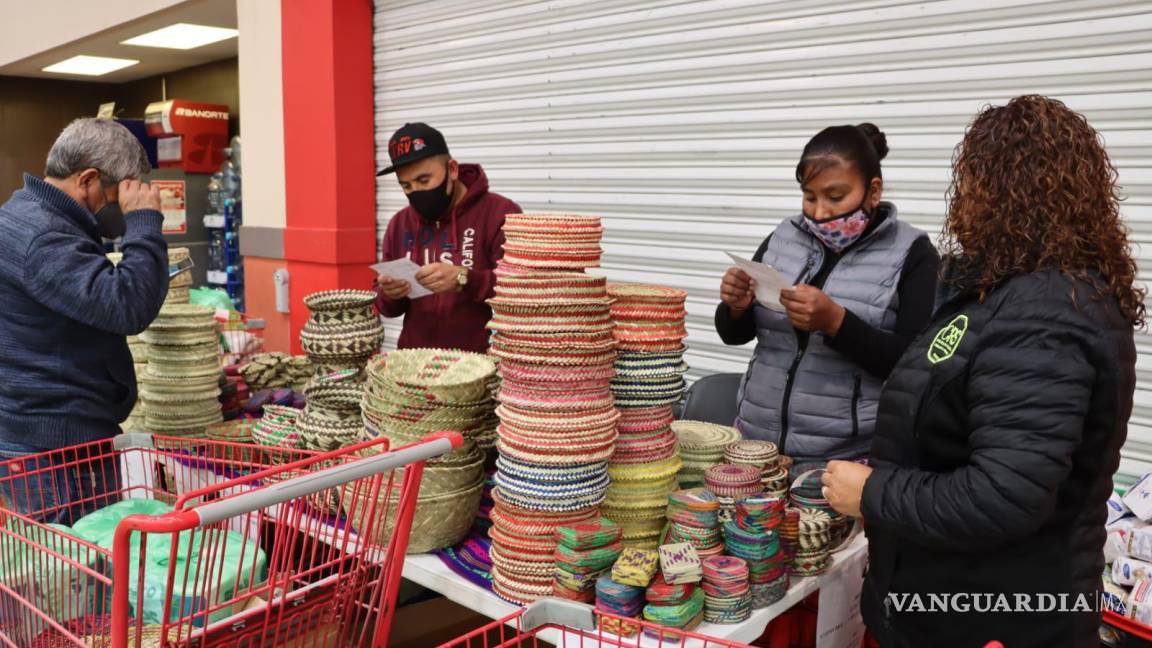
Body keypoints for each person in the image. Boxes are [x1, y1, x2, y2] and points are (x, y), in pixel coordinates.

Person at [822, 95, 1143, 647]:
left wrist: (875, 492)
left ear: (996, 191)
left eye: (971, 180)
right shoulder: (1005, 294)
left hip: (995, 619)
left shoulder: (1046, 314)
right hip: (939, 604)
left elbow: (1004, 494)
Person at [716, 124, 939, 466]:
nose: (819, 213)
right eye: (810, 197)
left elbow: (914, 366)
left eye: (835, 197)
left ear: (873, 191)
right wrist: (735, 307)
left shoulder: (912, 253)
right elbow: (735, 335)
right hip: (756, 453)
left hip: (844, 464)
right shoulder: (783, 237)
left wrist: (836, 322)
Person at [0, 117, 169, 523]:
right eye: (120, 195)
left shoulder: (25, 215)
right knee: (75, 571)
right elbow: (129, 306)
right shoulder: (42, 236)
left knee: (52, 571)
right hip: (57, 448)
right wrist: (145, 221)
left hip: (39, 435)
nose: (122, 208)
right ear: (88, 179)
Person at [375, 123, 520, 352]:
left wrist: (465, 279)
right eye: (406, 185)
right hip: (414, 365)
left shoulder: (500, 213)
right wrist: (390, 293)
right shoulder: (399, 224)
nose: (416, 192)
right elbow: (387, 308)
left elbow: (522, 292)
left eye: (424, 180)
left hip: (481, 368)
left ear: (452, 169)